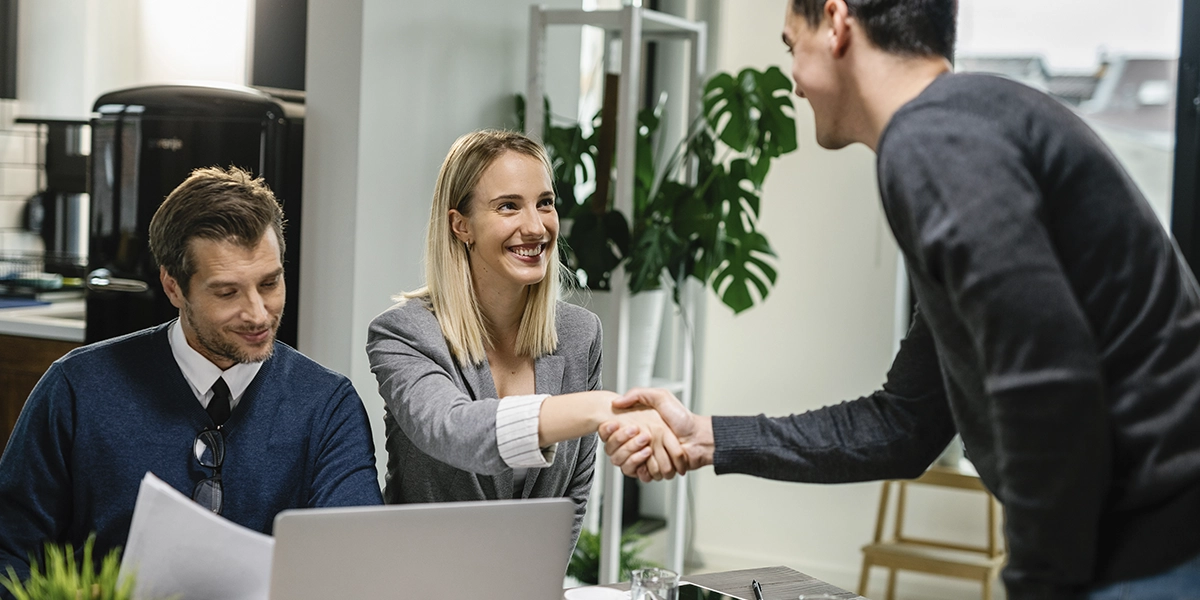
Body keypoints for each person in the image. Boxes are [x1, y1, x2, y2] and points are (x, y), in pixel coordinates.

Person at [599, 1, 1200, 598]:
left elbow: (1048, 382)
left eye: (791, 46)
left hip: (1154, 550)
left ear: (836, 24)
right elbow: (906, 423)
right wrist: (704, 436)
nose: (793, 80)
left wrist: (1039, 584)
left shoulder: (934, 140)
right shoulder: (970, 129)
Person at [0, 166, 383, 582]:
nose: (258, 314)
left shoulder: (328, 405)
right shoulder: (76, 389)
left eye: (270, 283)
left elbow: (355, 565)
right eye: (227, 292)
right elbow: (11, 552)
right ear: (173, 287)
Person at [366, 129, 680, 549]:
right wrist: (602, 407)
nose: (535, 227)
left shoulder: (579, 334)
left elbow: (573, 494)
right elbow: (454, 431)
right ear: (461, 226)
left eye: (544, 203)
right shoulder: (404, 333)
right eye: (508, 206)